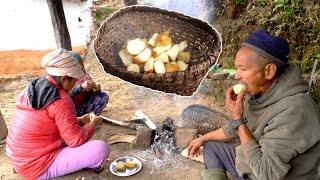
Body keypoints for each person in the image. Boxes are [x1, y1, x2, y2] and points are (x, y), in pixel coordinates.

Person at [187, 29, 320, 180]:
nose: (237, 75)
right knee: (211, 147)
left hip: (266, 174)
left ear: (269, 71)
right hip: (251, 166)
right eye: (236, 68)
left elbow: (266, 173)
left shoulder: (295, 110)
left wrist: (238, 119)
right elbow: (236, 127)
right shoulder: (261, 93)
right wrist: (202, 139)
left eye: (243, 68)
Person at [6, 49, 110, 180]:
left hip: (19, 157)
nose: (75, 84)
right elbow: (76, 140)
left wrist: (80, 120)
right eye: (74, 81)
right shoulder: (61, 100)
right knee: (100, 149)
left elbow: (48, 122)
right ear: (64, 78)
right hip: (35, 166)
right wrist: (93, 124)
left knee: (72, 134)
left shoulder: (32, 88)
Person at [68, 51, 109, 117]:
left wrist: (95, 90)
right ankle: (73, 120)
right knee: (68, 98)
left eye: (81, 64)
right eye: (77, 66)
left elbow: (90, 95)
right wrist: (81, 87)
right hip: (70, 110)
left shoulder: (85, 76)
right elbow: (66, 93)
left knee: (104, 96)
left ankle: (90, 118)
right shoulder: (66, 78)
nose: (81, 67)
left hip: (83, 108)